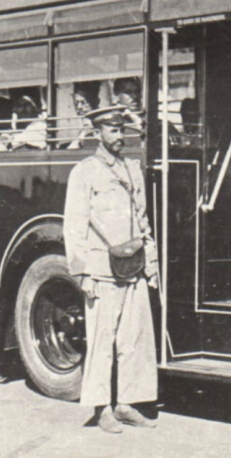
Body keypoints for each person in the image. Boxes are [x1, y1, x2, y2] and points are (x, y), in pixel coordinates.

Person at [63, 105, 159, 434]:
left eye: (122, 129)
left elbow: (143, 221)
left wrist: (151, 264)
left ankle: (127, 404)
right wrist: (82, 273)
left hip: (133, 266)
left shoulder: (132, 169)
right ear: (97, 133)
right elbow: (74, 225)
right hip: (102, 269)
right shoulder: (85, 172)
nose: (120, 136)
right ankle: (101, 408)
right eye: (113, 130)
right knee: (102, 341)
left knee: (135, 339)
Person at [66, 82, 99, 149]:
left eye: (83, 102)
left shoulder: (98, 126)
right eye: (76, 103)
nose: (79, 107)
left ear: (96, 102)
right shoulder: (80, 126)